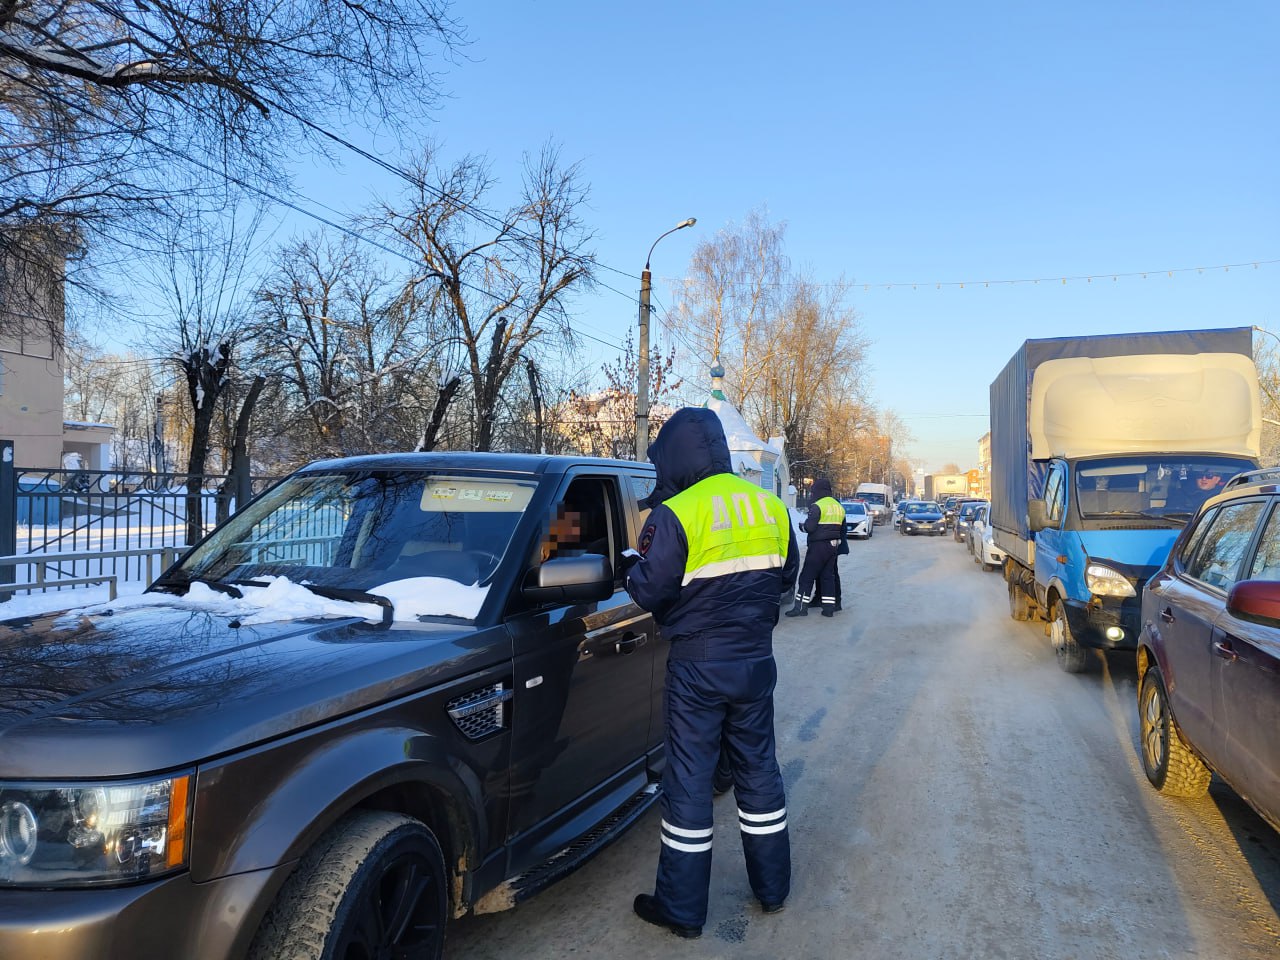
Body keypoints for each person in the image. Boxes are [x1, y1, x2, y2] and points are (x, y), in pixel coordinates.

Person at [622, 407, 799, 940]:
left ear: (675, 456)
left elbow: (650, 591)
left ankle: (681, 909)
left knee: (690, 782)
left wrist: (629, 565)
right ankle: (773, 890)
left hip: (697, 669)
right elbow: (786, 579)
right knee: (759, 771)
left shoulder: (676, 513)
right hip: (756, 662)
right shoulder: (770, 506)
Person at [786, 478, 845, 618]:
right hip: (833, 546)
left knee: (806, 577)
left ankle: (800, 608)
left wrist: (802, 526)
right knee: (827, 577)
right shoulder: (839, 507)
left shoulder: (818, 505)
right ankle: (828, 609)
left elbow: (810, 527)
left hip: (818, 547)